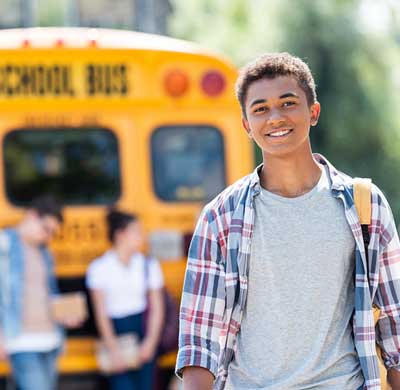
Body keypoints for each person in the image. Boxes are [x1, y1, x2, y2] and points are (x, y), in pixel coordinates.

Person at [176, 52, 400, 390]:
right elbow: (199, 339)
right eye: (261, 109)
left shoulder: (364, 204)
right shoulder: (220, 217)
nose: (275, 117)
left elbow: (395, 325)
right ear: (246, 126)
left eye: (288, 103)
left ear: (313, 112)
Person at [0, 195, 80, 390]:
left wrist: (65, 313)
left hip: (50, 340)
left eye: (53, 233)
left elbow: (47, 293)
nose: (49, 237)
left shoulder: (45, 253)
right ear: (31, 215)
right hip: (21, 342)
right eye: (46, 229)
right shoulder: (4, 245)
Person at [87, 209, 164, 390]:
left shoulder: (148, 264)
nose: (141, 237)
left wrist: (150, 343)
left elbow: (157, 308)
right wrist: (113, 350)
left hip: (143, 330)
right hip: (116, 333)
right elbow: (101, 312)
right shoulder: (99, 268)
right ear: (120, 234)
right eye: (136, 231)